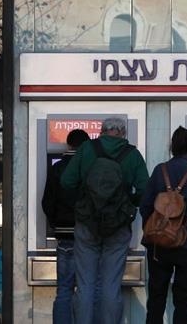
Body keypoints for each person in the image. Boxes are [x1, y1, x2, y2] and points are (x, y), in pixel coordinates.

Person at [60, 117, 149, 324]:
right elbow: (145, 190)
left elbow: (66, 181)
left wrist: (81, 204)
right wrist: (128, 203)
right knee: (111, 285)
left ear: (101, 132)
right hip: (118, 226)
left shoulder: (86, 149)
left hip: (87, 224)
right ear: (123, 133)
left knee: (85, 284)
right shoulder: (132, 154)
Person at [140, 126, 187, 324]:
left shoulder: (159, 171)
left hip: (159, 244)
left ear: (172, 147)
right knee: (184, 300)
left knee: (156, 297)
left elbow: (146, 206)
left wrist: (155, 231)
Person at [41, 128, 90, 324]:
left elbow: (47, 202)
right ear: (87, 146)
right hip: (88, 236)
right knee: (87, 289)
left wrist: (56, 224)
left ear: (69, 145)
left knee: (64, 290)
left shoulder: (57, 167)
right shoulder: (91, 167)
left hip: (64, 237)